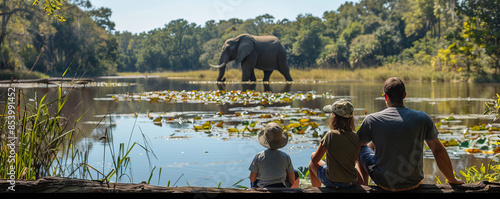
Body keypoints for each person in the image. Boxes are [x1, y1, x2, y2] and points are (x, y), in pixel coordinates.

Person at [356, 77, 464, 191]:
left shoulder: (372, 120)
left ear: (386, 97)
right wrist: (452, 179)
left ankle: (361, 188)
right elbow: (438, 151)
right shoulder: (422, 118)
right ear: (404, 95)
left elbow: (355, 146)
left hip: (384, 183)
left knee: (361, 149)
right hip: (413, 182)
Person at [309, 99, 361, 188]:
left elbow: (315, 160)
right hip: (351, 182)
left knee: (311, 164)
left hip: (333, 182)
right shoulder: (356, 137)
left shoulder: (331, 135)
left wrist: (313, 155)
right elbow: (354, 160)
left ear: (334, 117)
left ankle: (316, 190)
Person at [249, 122, 299, 188]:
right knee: (294, 173)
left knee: (255, 174)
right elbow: (292, 181)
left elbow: (252, 178)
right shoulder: (286, 157)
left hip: (262, 187)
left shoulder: (258, 156)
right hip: (281, 187)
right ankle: (293, 191)